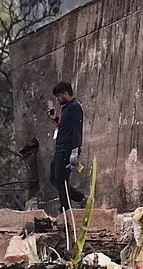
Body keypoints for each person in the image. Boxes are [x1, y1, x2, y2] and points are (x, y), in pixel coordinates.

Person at [48, 81, 86, 215]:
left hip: (67, 150)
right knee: (54, 178)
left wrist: (75, 151)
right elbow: (64, 127)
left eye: (58, 96)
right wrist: (56, 118)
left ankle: (65, 210)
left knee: (61, 181)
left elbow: (76, 129)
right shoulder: (66, 109)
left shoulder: (75, 107)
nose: (57, 99)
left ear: (65, 94)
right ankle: (79, 197)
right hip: (60, 149)